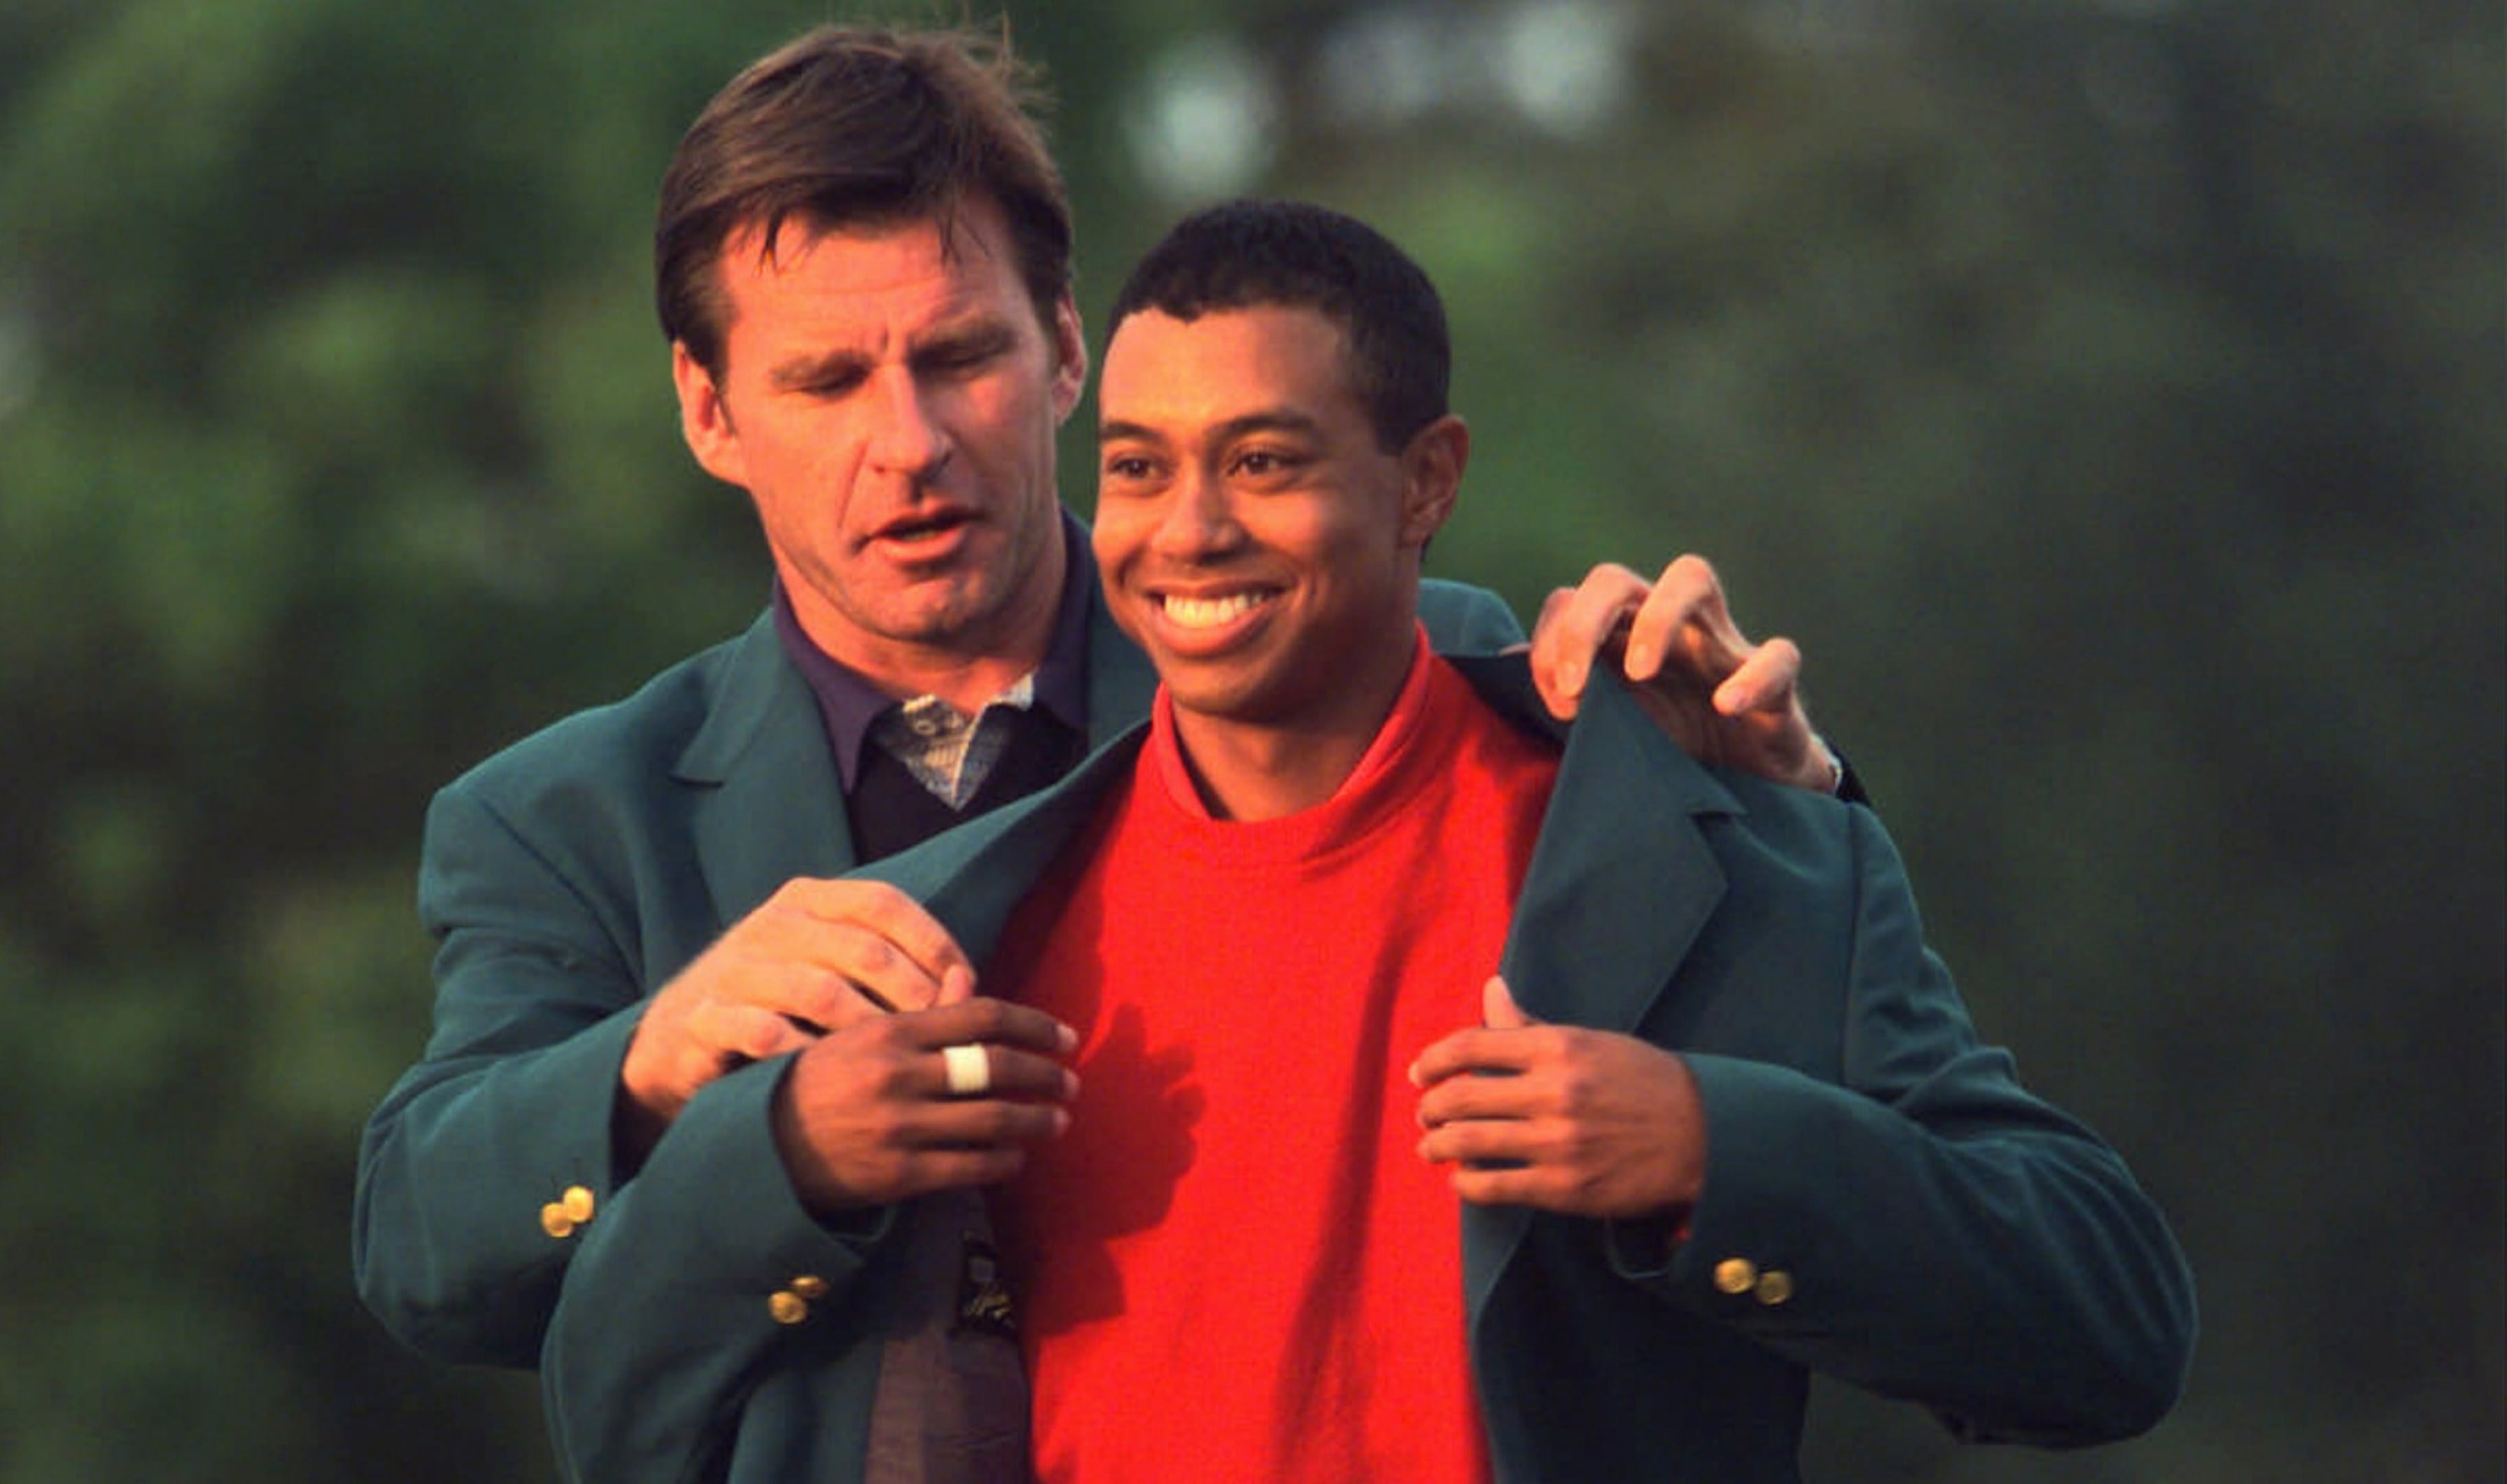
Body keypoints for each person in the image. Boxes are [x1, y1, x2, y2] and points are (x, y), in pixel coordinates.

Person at [536, 201, 2196, 1482]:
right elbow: (608, 1403)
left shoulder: (1722, 862)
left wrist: (1708, 1150)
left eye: (1264, 461)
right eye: (1138, 468)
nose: (1189, 531)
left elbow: (2109, 1326)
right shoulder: (958, 926)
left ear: (1425, 483)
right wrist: (778, 1163)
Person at [353, 21, 1845, 1384]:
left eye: (962, 355)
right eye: (825, 382)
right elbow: (420, 1250)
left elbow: (1832, 1106)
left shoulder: (1411, 664)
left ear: (1066, 349)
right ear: (707, 409)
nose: (910, 442)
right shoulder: (562, 822)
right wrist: (661, 1064)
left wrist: (1787, 810)